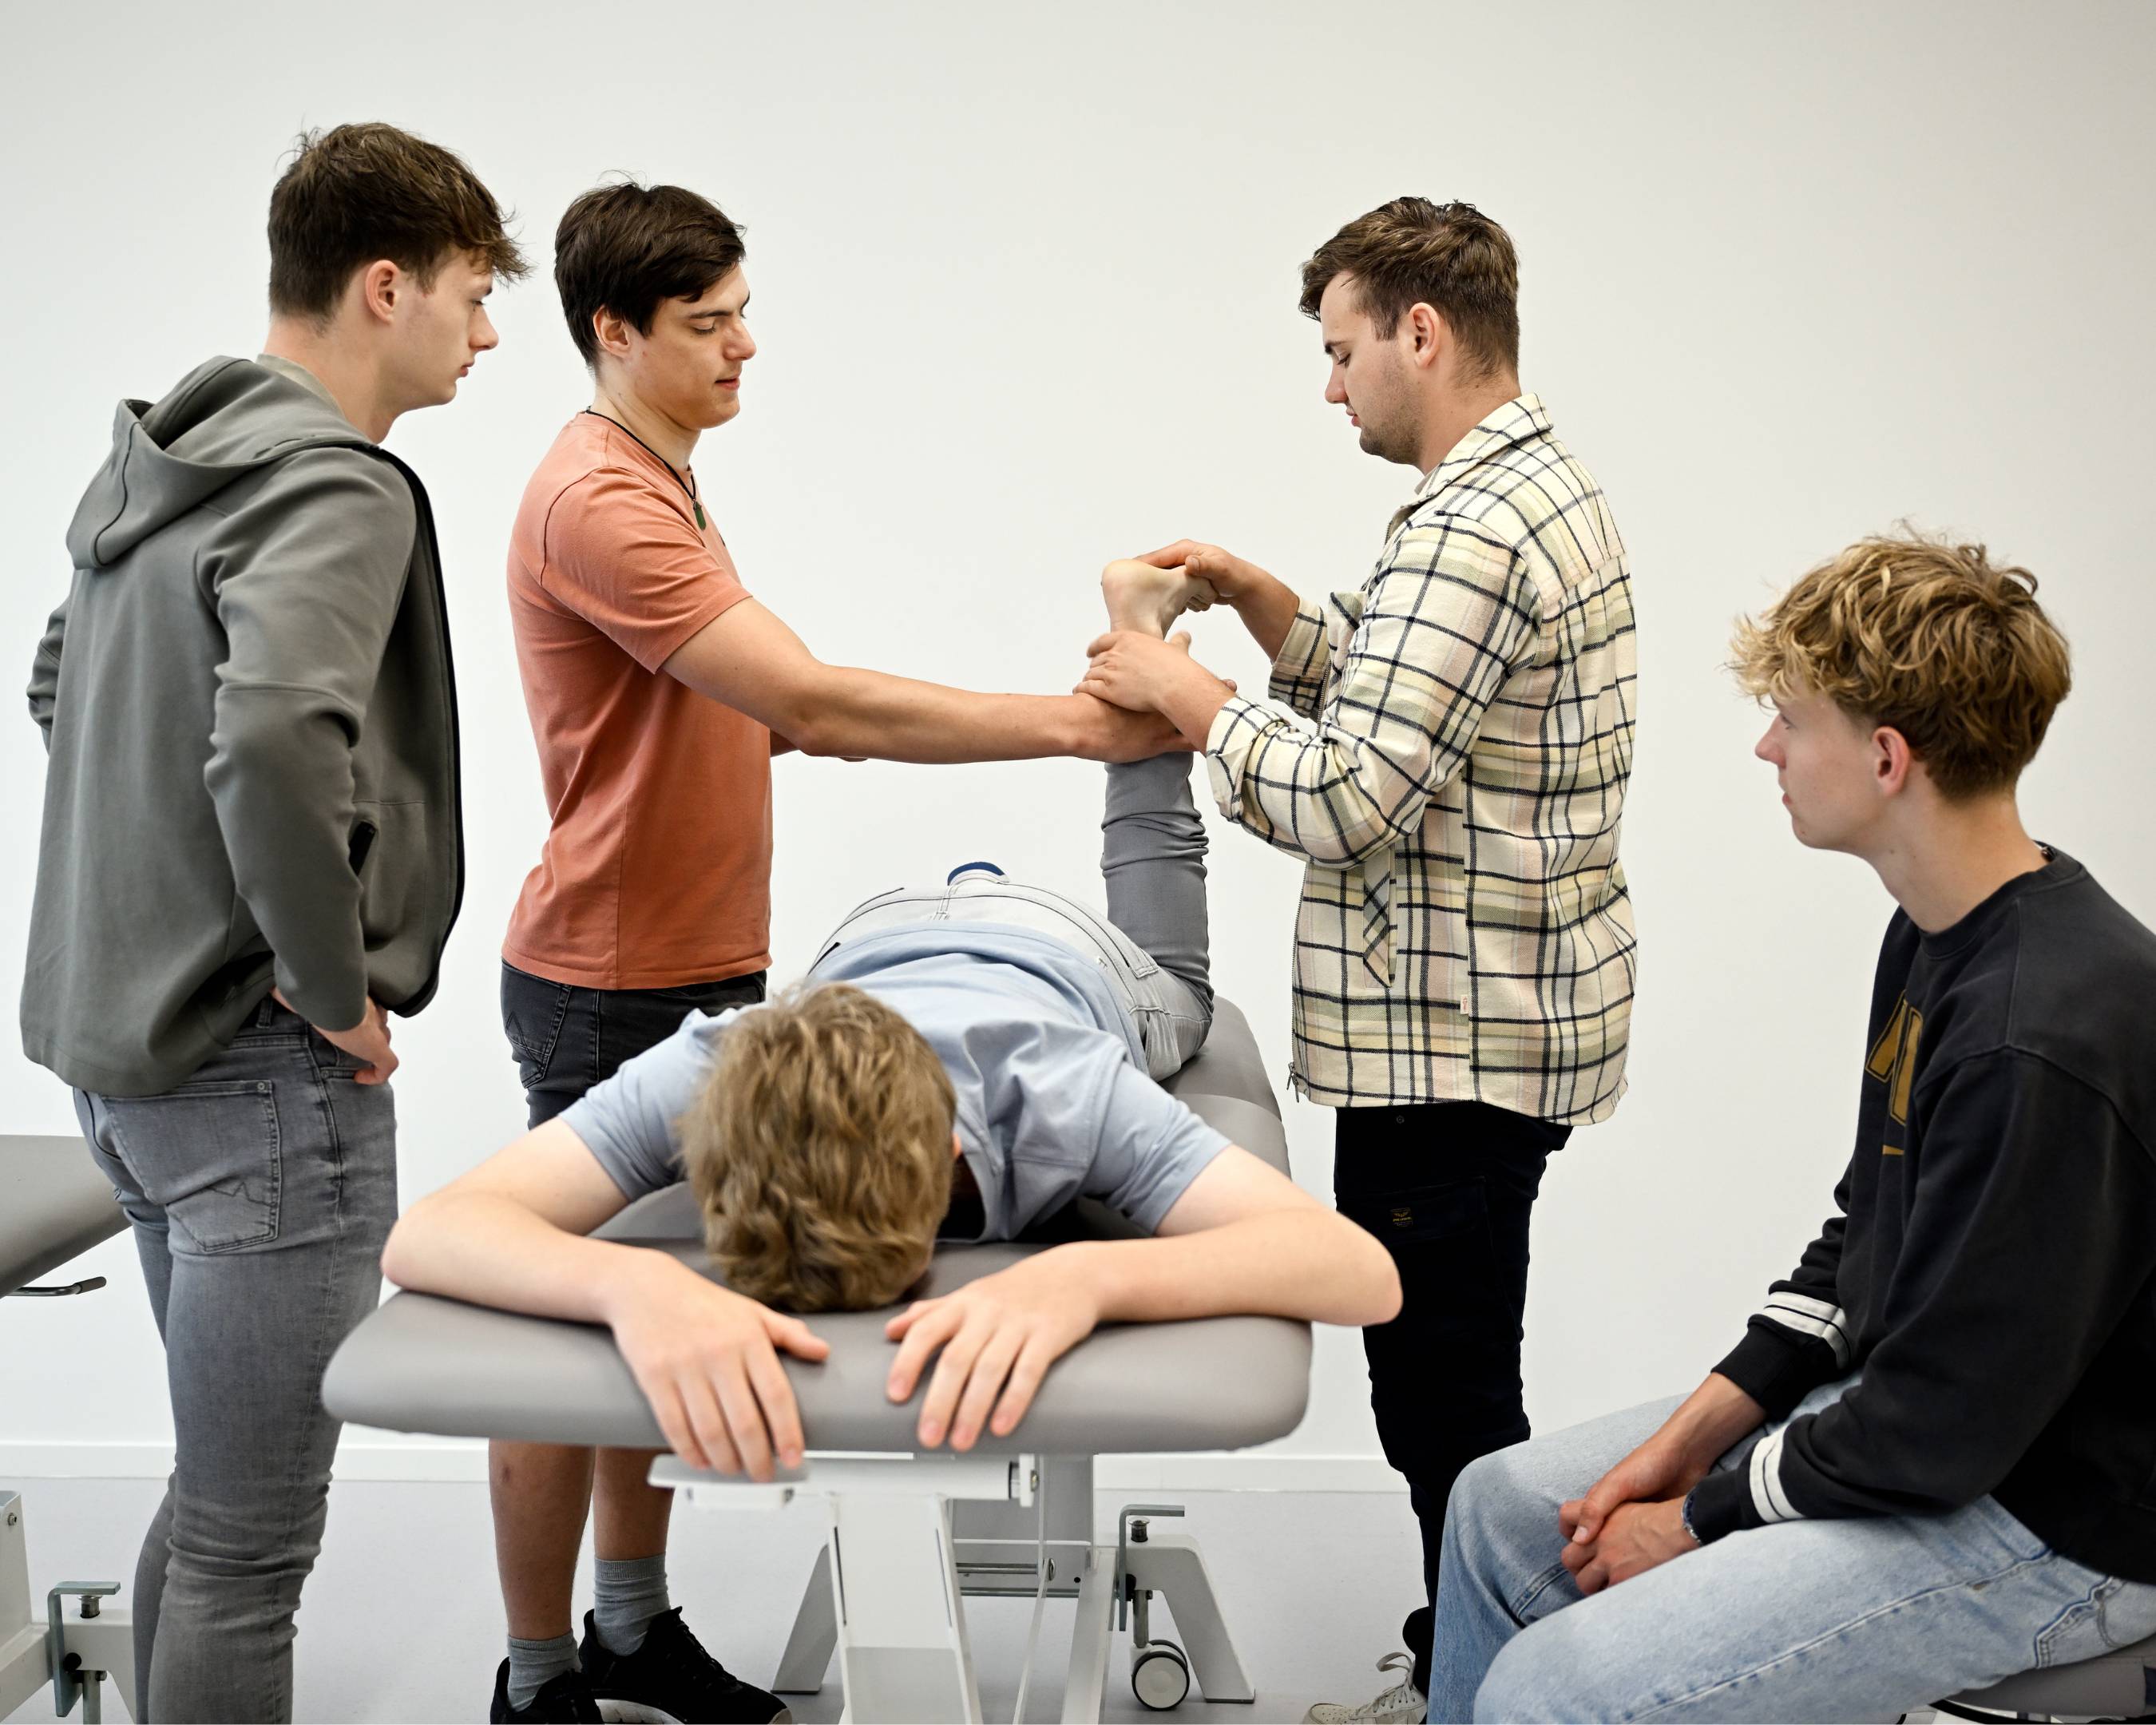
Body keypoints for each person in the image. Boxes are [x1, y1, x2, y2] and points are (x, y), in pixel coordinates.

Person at [486, 178, 1197, 1723]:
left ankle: (628, 1630)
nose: (748, 346)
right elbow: (811, 706)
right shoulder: (602, 498)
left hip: (693, 961)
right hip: (611, 977)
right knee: (567, 1337)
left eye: (746, 311)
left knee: (663, 1309)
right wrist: (1080, 727)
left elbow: (742, 721)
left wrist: (804, 727)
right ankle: (538, 1681)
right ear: (615, 333)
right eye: (709, 322)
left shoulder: (659, 471)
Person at [384, 747, 1404, 1721]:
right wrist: (628, 1286)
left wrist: (1089, 1279)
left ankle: (1142, 720)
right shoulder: (714, 1065)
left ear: (959, 1147)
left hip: (1067, 949)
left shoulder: (1056, 1089)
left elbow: (1360, 1273)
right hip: (865, 942)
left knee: (1183, 996)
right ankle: (579, 1654)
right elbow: (432, 1233)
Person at [1427, 533, 2156, 1723]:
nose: (1767, 746)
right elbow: (1867, 1231)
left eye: (1792, 719)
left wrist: (1702, 1515)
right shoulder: (1938, 931)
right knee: (1502, 1513)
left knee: (1558, 1687)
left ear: (1884, 757)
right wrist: (1695, 1431)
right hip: (1937, 1426)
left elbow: (1942, 1427)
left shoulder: (2043, 1035)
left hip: (2056, 1511)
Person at [1077, 197, 1636, 1723]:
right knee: (1454, 1375)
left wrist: (1185, 696)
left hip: (1451, 1043)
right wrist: (1274, 620)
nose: (1332, 390)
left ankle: (1481, 1688)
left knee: (1443, 1393)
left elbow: (1347, 795)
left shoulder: (1472, 524)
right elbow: (1422, 705)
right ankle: (1472, 1660)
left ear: (1422, 333)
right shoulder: (1530, 488)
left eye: (1341, 354)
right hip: (1504, 1020)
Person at [20, 123, 524, 1721]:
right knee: (253, 1549)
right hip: (258, 1081)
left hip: (130, 1072)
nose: (489, 332)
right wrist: (328, 984)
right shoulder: (338, 485)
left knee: (216, 1511)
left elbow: (59, 679)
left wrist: (164, 857)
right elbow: (268, 732)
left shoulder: (159, 467)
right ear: (387, 287)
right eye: (469, 293)